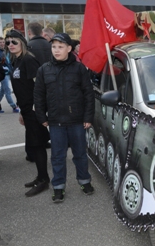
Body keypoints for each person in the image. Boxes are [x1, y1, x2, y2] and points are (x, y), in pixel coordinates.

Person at [34, 33, 95, 203]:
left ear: (69, 48)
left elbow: (88, 94)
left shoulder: (79, 69)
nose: (56, 50)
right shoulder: (44, 70)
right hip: (55, 122)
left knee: (80, 154)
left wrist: (88, 116)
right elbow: (38, 96)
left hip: (77, 121)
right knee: (58, 156)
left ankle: (84, 181)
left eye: (60, 47)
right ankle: (59, 187)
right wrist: (41, 116)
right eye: (54, 46)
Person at [6, 29, 50, 196]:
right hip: (26, 109)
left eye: (14, 42)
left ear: (22, 43)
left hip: (34, 109)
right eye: (8, 42)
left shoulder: (28, 60)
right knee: (34, 144)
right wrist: (21, 112)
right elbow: (20, 88)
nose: (10, 45)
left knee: (38, 145)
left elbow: (40, 85)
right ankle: (40, 176)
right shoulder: (17, 61)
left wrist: (36, 108)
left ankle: (44, 180)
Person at [0, 37, 19, 113]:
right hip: (4, 74)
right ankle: (14, 106)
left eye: (3, 42)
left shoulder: (6, 51)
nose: (2, 44)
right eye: (0, 42)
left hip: (9, 72)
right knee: (7, 90)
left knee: (2, 91)